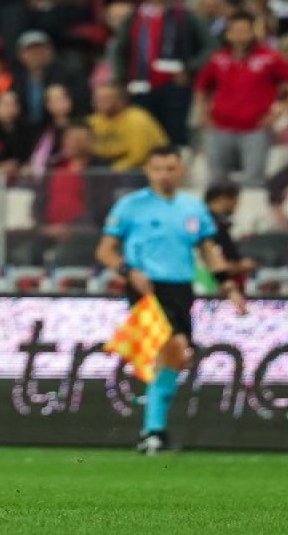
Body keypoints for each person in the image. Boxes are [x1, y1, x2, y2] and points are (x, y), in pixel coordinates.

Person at [96, 146, 248, 455]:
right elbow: (105, 251)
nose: (164, 174)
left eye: (170, 168)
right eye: (158, 168)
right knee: (173, 349)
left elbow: (208, 251)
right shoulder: (131, 206)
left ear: (181, 172)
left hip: (181, 288)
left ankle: (154, 432)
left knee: (178, 359)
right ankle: (153, 432)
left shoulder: (192, 208)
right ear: (148, 172)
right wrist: (128, 270)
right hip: (147, 287)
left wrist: (229, 287)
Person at [196, 12, 288, 185]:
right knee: (216, 179)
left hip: (255, 129)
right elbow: (201, 86)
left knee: (254, 180)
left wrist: (282, 111)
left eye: (244, 30)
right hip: (220, 127)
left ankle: (251, 212)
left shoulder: (269, 58)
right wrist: (202, 113)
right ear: (227, 33)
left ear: (253, 32)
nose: (239, 35)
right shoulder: (218, 58)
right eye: (235, 30)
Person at [110, 0, 215, 146]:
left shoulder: (187, 16)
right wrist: (120, 79)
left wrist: (189, 68)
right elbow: (118, 49)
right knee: (142, 135)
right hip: (140, 86)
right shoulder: (134, 17)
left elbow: (211, 47)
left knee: (175, 134)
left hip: (175, 86)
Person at [88, 83, 169, 170]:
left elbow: (138, 157)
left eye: (106, 99)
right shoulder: (93, 121)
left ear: (121, 101)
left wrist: (110, 171)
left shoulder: (137, 119)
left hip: (142, 170)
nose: (99, 103)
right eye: (97, 99)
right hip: (108, 166)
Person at [204, 181, 258, 283]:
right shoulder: (209, 227)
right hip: (215, 289)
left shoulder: (221, 224)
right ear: (222, 199)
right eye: (235, 200)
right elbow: (211, 262)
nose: (237, 205)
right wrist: (242, 266)